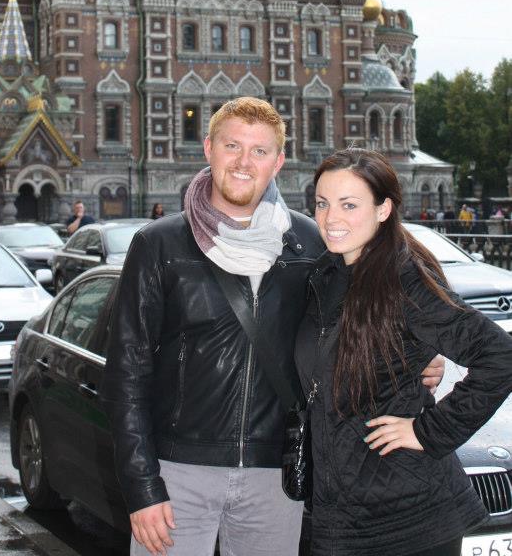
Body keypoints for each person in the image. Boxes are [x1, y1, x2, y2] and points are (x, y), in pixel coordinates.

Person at [102, 99, 442, 556]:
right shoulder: (159, 244)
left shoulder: (310, 241)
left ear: (278, 161)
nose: (244, 162)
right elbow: (126, 373)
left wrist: (419, 354)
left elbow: (361, 318)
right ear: (208, 148)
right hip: (179, 468)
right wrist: (142, 487)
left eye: (260, 151)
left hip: (275, 472)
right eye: (232, 146)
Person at [295, 149, 512, 556]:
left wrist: (426, 431)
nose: (330, 218)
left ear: (383, 209)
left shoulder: (403, 278)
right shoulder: (326, 274)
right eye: (322, 203)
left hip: (409, 519)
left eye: (349, 205)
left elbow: (499, 356)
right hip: (337, 515)